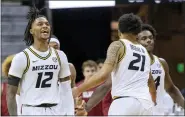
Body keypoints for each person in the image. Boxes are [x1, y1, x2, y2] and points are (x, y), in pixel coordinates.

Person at [83, 23, 185, 115]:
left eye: (151, 37)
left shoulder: (161, 62)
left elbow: (171, 89)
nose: (149, 40)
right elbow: (106, 86)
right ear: (136, 42)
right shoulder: (126, 63)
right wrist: (87, 107)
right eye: (144, 38)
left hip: (157, 111)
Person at [73, 13, 156, 115]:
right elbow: (151, 83)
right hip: (146, 105)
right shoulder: (144, 52)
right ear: (138, 32)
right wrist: (153, 101)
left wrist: (78, 89)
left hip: (125, 103)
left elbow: (103, 75)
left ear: (119, 31)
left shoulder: (118, 45)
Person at [7, 7, 73, 115]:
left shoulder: (60, 56)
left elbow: (66, 89)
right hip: (31, 110)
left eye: (47, 24)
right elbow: (10, 93)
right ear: (31, 31)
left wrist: (70, 114)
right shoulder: (22, 57)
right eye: (40, 24)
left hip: (56, 110)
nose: (45, 26)